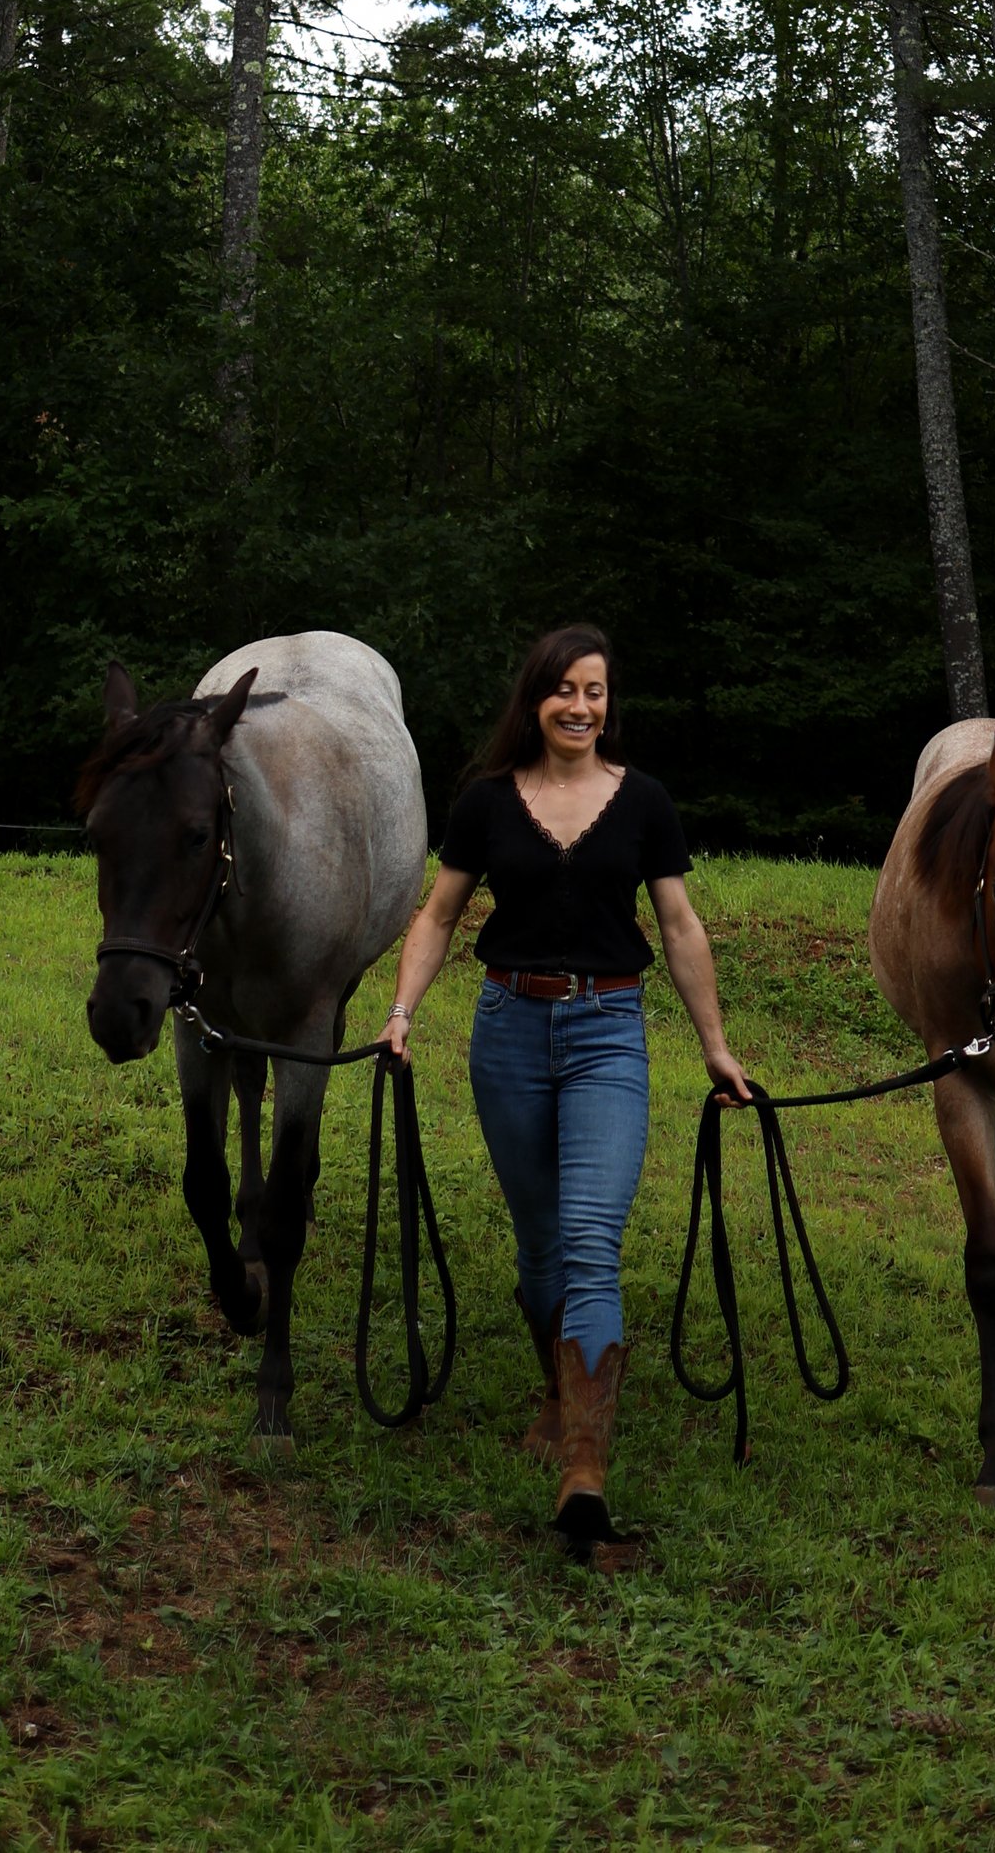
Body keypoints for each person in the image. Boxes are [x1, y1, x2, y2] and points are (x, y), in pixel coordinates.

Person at [383, 623, 749, 1556]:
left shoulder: (645, 804)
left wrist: (713, 1044)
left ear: (608, 704)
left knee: (592, 1239)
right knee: (540, 1244)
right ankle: (557, 1388)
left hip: (607, 1035)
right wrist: (400, 1013)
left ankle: (584, 1469)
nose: (581, 707)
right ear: (535, 700)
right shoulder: (486, 803)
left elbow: (679, 926)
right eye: (564, 691)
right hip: (504, 1032)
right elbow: (439, 914)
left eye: (595, 691)